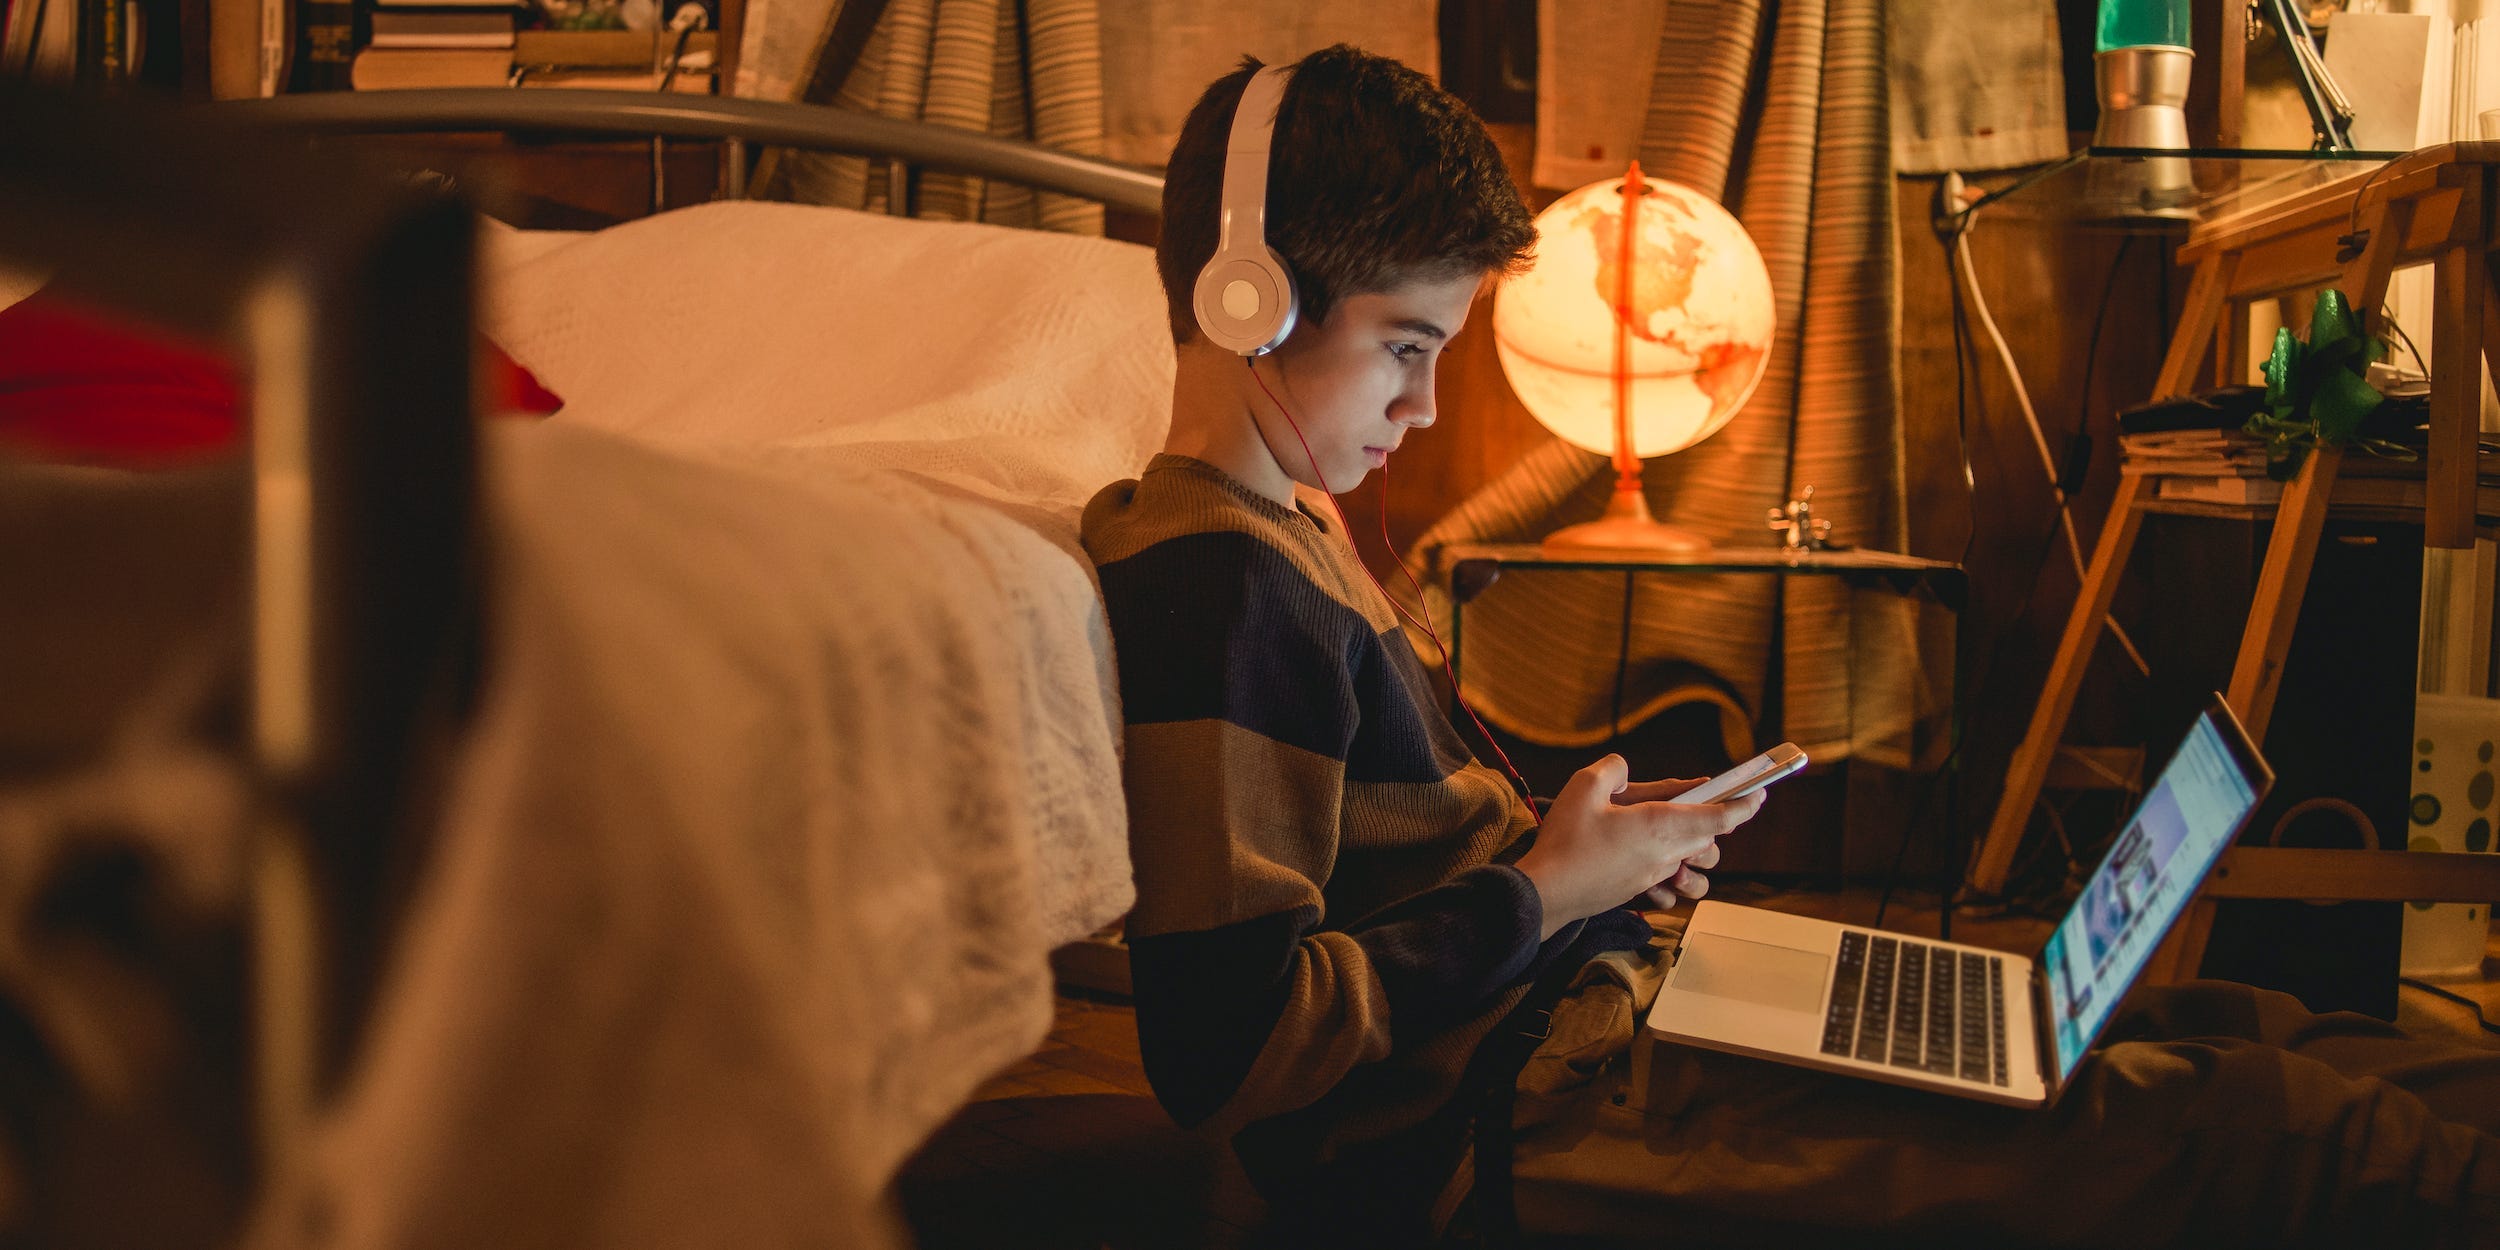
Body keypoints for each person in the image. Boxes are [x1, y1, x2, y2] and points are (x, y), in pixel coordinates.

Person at [1081, 44, 2500, 1249]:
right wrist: (1545, 887)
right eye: (1406, 344)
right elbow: (1234, 1044)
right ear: (1245, 297)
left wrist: (1586, 852)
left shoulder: (1285, 530)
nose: (1430, 407)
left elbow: (1383, 853)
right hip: (1526, 1112)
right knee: (2243, 1121)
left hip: (1589, 1009)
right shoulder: (1220, 578)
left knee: (2234, 1017)